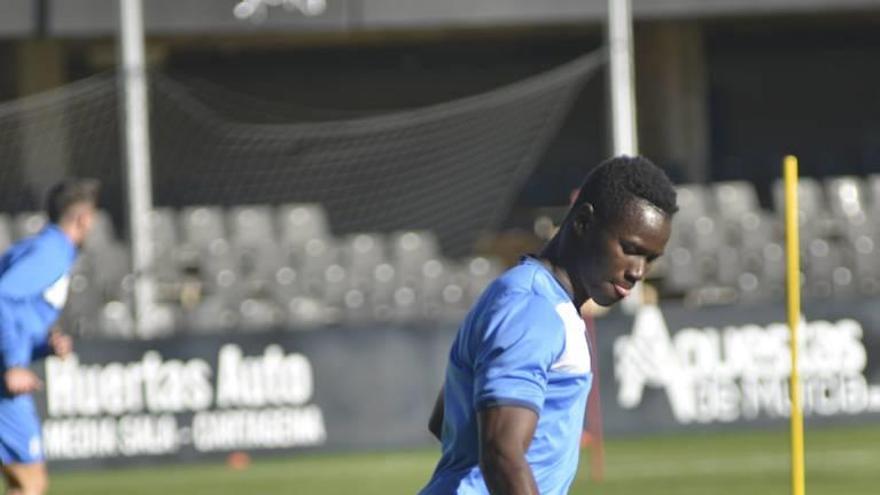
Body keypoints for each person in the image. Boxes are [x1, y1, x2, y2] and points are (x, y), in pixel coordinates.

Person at [419, 156, 677, 495]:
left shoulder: (531, 297)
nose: (638, 271)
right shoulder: (533, 309)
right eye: (630, 249)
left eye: (650, 259)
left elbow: (446, 420)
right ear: (583, 222)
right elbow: (501, 452)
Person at [0, 179, 99, 495]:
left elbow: (18, 311)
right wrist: (14, 362)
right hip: (2, 379)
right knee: (30, 481)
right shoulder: (51, 254)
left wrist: (43, 346)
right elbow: (2, 296)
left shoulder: (35, 247)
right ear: (83, 219)